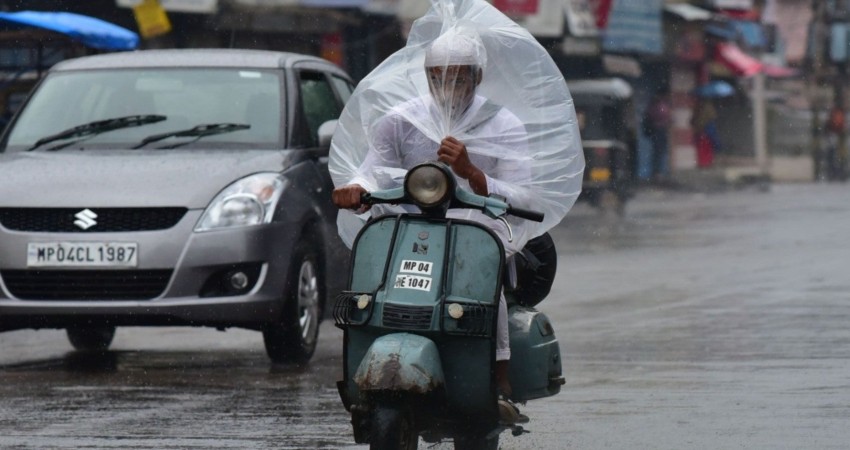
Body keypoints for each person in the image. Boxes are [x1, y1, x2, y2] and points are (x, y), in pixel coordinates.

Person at [332, 28, 530, 424]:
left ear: (477, 77)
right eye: (438, 75)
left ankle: (499, 380)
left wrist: (471, 172)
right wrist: (356, 189)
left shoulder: (502, 123)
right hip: (408, 230)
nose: (448, 85)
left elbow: (524, 197)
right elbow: (373, 172)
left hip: (474, 230)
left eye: (459, 76)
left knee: (484, 293)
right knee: (371, 295)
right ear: (427, 77)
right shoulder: (401, 120)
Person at [642, 91, 673, 183]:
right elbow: (666, 117)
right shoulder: (661, 106)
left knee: (657, 153)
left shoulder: (653, 106)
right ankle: (658, 174)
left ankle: (657, 173)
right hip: (660, 132)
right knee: (659, 153)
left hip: (656, 132)